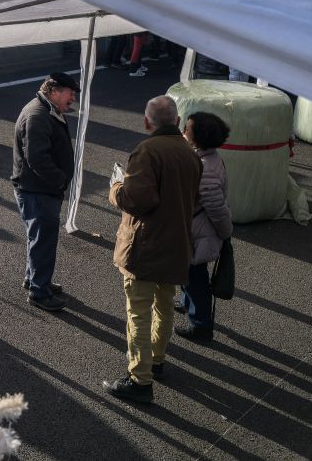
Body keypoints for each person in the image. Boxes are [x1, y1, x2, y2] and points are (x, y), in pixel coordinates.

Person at [103, 95, 202, 403]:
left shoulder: (146, 152)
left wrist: (115, 188)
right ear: (176, 120)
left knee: (138, 313)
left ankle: (139, 378)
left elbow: (137, 200)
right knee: (164, 304)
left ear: (148, 122)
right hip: (177, 244)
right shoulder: (190, 154)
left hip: (145, 247)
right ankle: (157, 361)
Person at [11, 72, 80, 313]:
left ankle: (35, 279)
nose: (73, 98)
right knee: (43, 241)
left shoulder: (45, 109)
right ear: (54, 91)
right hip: (38, 190)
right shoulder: (38, 115)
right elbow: (37, 159)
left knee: (38, 239)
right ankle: (39, 292)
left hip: (38, 189)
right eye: (70, 93)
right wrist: (60, 181)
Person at [177, 111, 233, 341]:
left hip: (200, 232)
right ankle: (187, 303)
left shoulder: (206, 168)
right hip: (199, 230)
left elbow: (215, 206)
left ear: (199, 136)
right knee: (190, 272)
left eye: (187, 129)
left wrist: (225, 231)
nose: (183, 131)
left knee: (195, 276)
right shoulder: (209, 157)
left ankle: (200, 324)